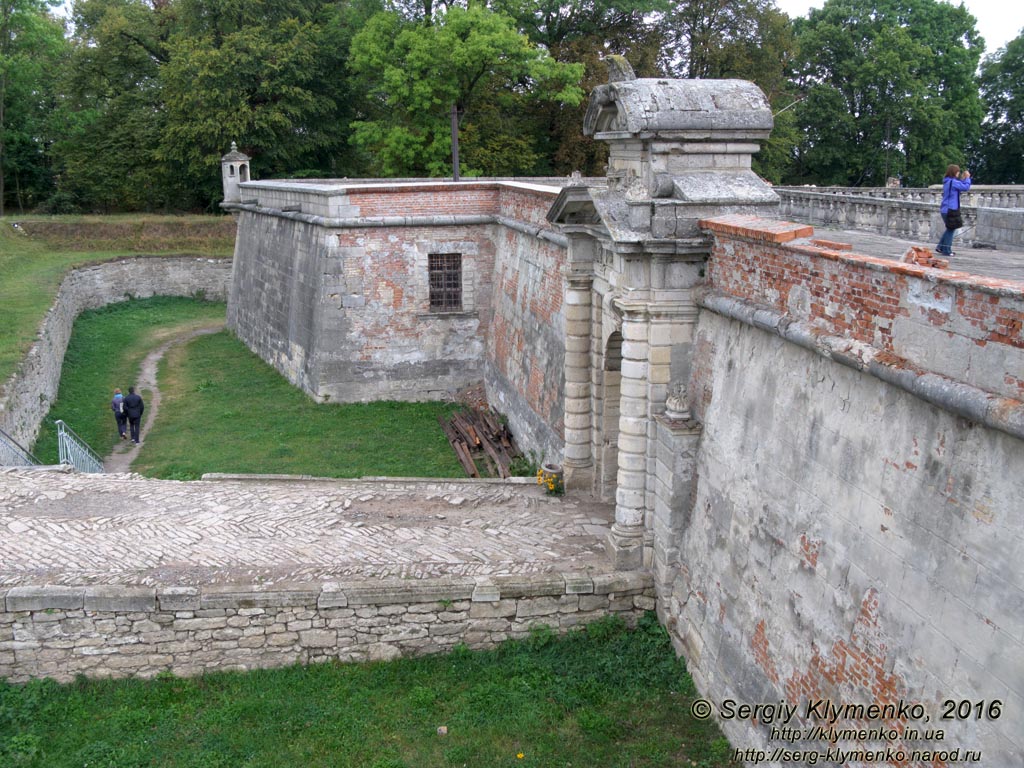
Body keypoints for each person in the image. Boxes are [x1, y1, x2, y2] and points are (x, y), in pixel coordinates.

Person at [936, 164, 971, 256]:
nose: (958, 173)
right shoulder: (953, 182)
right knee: (951, 229)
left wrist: (963, 180)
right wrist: (967, 178)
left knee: (949, 228)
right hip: (950, 209)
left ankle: (941, 246)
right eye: (958, 172)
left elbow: (960, 185)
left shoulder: (948, 181)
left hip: (945, 209)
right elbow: (966, 187)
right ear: (954, 172)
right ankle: (946, 250)